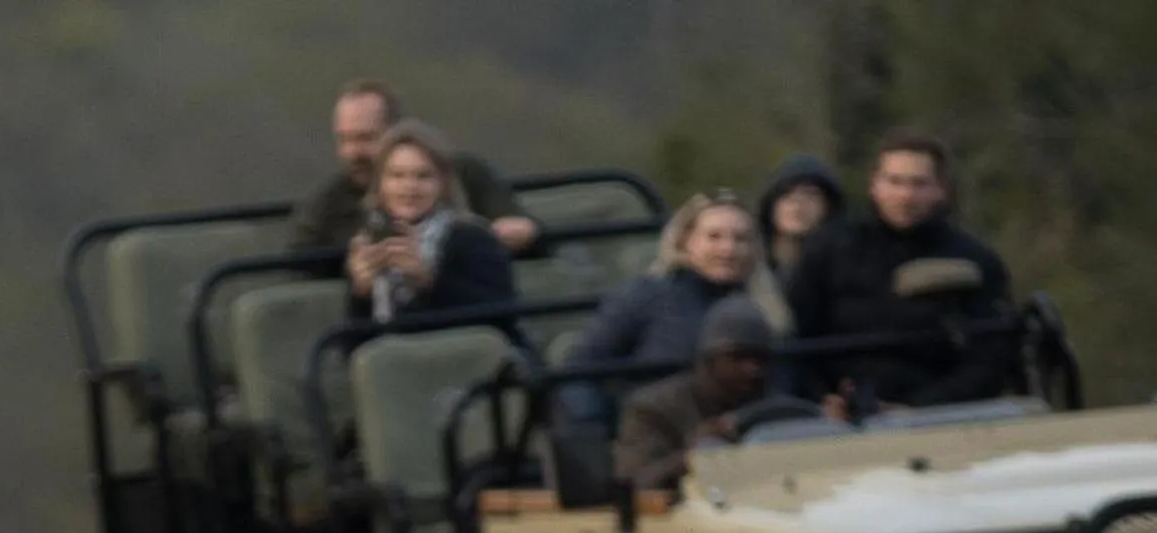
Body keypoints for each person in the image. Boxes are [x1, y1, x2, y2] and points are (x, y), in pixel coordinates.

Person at [784, 129, 1016, 418]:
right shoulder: (828, 251)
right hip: (838, 418)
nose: (905, 195)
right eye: (894, 182)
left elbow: (992, 358)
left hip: (946, 416)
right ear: (874, 185)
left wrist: (919, 409)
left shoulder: (974, 259)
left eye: (918, 184)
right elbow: (796, 340)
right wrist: (823, 398)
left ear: (941, 189)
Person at [557, 189, 791, 426]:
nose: (728, 249)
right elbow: (580, 370)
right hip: (661, 436)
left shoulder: (773, 307)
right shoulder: (645, 295)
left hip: (758, 433)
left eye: (740, 239)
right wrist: (596, 429)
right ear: (686, 240)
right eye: (714, 237)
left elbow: (790, 382)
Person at [289, 79, 542, 259]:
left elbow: (526, 230)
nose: (352, 153)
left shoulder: (464, 173)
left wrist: (518, 233)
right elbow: (299, 263)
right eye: (343, 139)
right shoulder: (328, 205)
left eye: (365, 139)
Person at [343, 120, 516, 323]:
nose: (409, 187)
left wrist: (428, 280)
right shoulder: (368, 241)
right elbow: (357, 337)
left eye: (423, 176)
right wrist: (361, 293)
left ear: (442, 183)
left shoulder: (473, 237)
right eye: (397, 176)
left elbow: (500, 312)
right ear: (380, 184)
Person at [612, 295, 776, 493]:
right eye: (738, 358)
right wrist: (692, 457)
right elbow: (635, 483)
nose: (753, 369)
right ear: (709, 360)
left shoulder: (773, 407)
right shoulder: (653, 409)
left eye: (761, 359)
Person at [756, 153, 846, 286]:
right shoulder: (747, 270)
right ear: (771, 203)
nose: (798, 203)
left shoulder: (845, 275)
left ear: (828, 206)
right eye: (787, 193)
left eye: (810, 194)